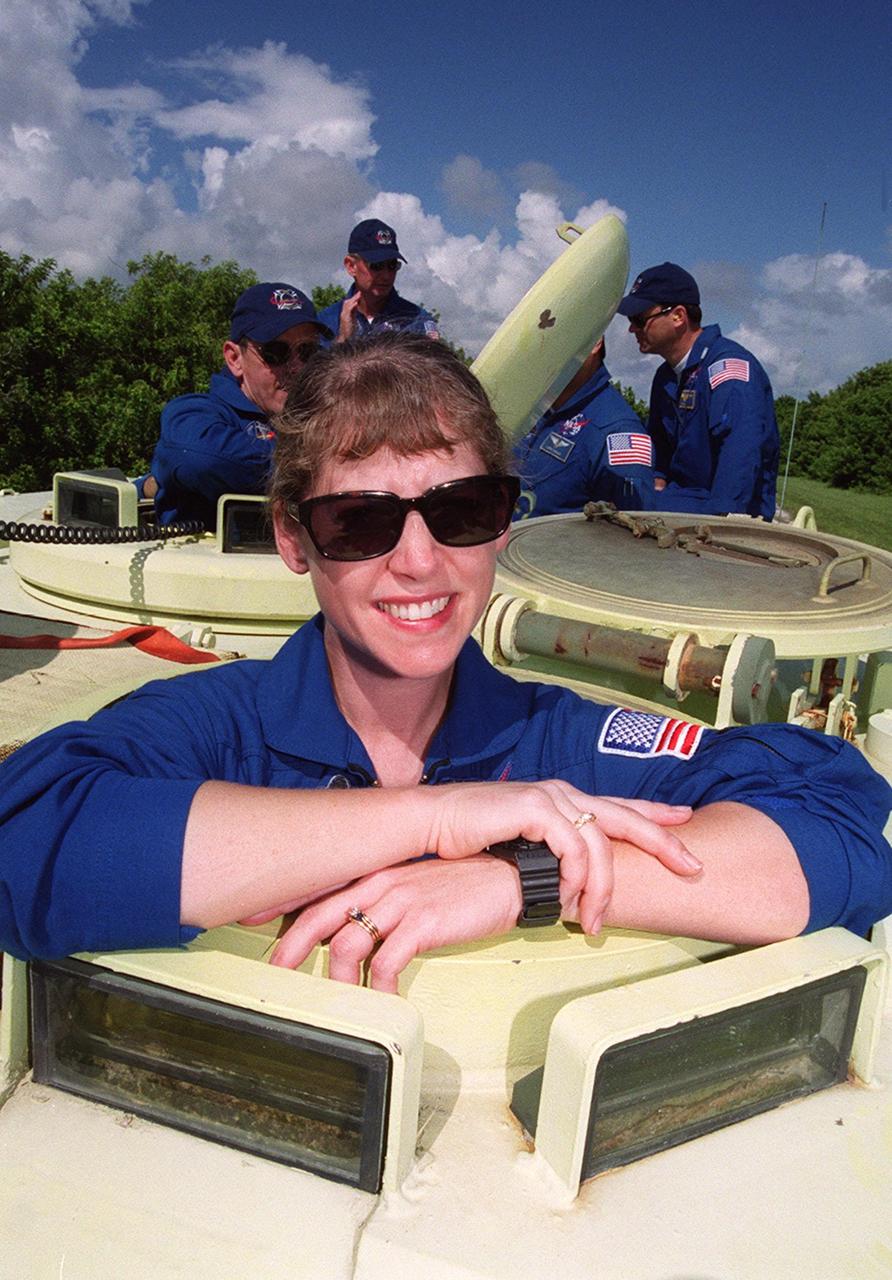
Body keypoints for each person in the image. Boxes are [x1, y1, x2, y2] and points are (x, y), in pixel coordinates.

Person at [1, 336, 889, 992]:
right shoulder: (216, 726)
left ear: (504, 520)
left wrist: (520, 878)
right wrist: (437, 817)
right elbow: (28, 840)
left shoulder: (554, 739)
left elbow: (836, 823)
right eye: (360, 520)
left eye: (462, 509)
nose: (420, 562)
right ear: (292, 538)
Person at [149, 283, 331, 529]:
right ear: (234, 358)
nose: (297, 367)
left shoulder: (321, 415)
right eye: (276, 352)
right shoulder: (194, 413)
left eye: (308, 351)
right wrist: (323, 461)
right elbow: (201, 459)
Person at [617, 263, 779, 519]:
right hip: (683, 500)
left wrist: (718, 532)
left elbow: (741, 458)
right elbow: (660, 445)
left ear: (678, 316)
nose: (631, 329)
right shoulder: (666, 376)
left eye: (639, 319)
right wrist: (656, 481)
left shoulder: (730, 370)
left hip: (724, 513)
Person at [512, 338, 655, 519]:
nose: (542, 347)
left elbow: (630, 532)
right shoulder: (531, 408)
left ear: (595, 342)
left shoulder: (617, 431)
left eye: (555, 337)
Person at [318, 219, 440, 343]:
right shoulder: (326, 322)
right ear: (351, 266)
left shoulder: (417, 321)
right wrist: (343, 339)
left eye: (392, 265)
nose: (386, 275)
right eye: (376, 265)